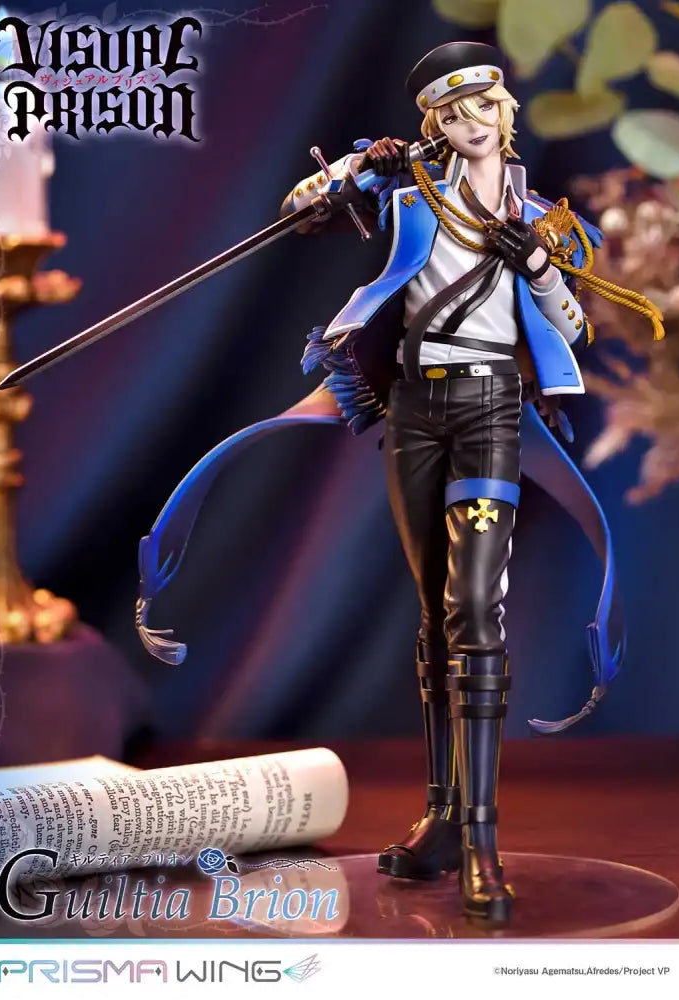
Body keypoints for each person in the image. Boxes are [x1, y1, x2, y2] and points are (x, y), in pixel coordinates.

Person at [279, 41, 597, 924]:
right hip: (415, 408)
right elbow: (301, 208)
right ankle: (444, 819)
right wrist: (357, 168)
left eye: (482, 107)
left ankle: (484, 839)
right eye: (451, 115)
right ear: (437, 126)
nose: (471, 123)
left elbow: (575, 325)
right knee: (432, 609)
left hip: (491, 408)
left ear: (504, 110)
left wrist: (537, 265)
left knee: (475, 607)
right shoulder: (411, 195)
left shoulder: (542, 218)